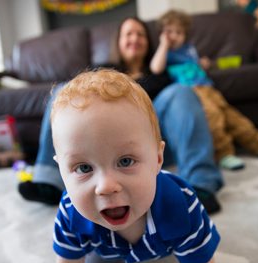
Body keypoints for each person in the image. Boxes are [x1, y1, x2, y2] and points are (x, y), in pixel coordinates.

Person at [51, 69, 224, 263]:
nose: (106, 186)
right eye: (83, 168)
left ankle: (167, 246)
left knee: (188, 254)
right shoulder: (70, 212)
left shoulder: (182, 204)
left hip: (164, 239)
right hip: (101, 245)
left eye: (125, 161)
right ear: (62, 171)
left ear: (157, 159)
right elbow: (67, 262)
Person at [19, 17, 223, 214]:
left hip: (153, 142)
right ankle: (50, 181)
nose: (134, 38)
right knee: (63, 92)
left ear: (148, 42)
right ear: (118, 42)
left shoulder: (161, 70)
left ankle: (200, 183)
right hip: (107, 144)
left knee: (182, 91)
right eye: (128, 34)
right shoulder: (103, 74)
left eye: (140, 34)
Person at [150, 9, 258, 171]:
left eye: (179, 32)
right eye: (169, 32)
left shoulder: (189, 48)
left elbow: (194, 64)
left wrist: (202, 64)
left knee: (234, 117)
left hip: (209, 88)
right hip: (192, 93)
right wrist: (164, 44)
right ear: (162, 33)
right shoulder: (166, 52)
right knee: (213, 117)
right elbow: (156, 68)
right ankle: (223, 153)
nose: (174, 36)